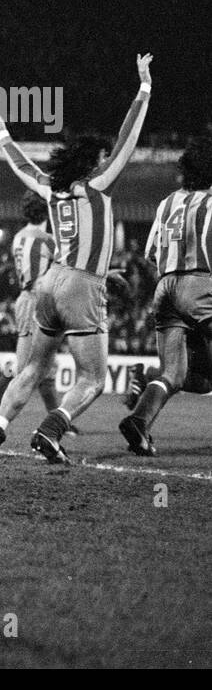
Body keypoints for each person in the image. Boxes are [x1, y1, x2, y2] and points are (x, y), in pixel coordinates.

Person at [0, 53, 152, 465]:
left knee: (32, 369)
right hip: (81, 284)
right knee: (93, 377)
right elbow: (128, 139)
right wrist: (143, 88)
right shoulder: (97, 184)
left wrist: (0, 130)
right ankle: (51, 429)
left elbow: (21, 164)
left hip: (48, 286)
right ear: (93, 161)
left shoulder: (51, 190)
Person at [118, 135, 212, 456]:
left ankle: (139, 422)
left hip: (165, 288)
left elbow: (150, 253)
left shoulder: (166, 203)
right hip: (200, 286)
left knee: (176, 374)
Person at [0, 190, 74, 433]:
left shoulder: (19, 237)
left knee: (45, 364)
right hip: (37, 300)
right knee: (28, 367)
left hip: (23, 298)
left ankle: (59, 424)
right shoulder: (48, 240)